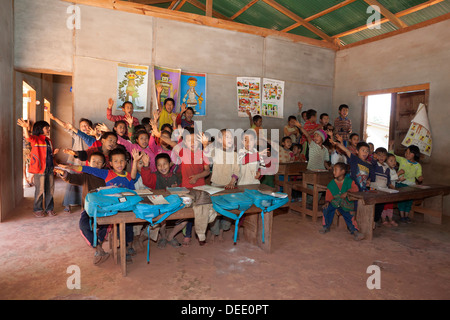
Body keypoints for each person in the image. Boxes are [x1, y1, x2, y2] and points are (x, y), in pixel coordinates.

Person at [55, 151, 110, 264]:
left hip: (104, 207)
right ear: (88, 163)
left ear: (103, 165)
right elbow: (73, 178)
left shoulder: (107, 175)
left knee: (105, 225)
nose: (96, 164)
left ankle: (99, 245)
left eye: (99, 162)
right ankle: (98, 248)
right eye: (93, 161)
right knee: (83, 225)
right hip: (88, 208)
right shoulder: (86, 175)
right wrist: (64, 174)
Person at [139, 152, 187, 248]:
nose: (162, 167)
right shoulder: (155, 176)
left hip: (173, 206)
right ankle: (163, 237)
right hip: (160, 207)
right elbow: (146, 180)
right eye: (159, 165)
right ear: (156, 167)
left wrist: (176, 189)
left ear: (170, 164)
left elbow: (182, 191)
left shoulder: (176, 177)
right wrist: (145, 166)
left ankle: (170, 236)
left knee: (185, 220)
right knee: (162, 219)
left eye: (165, 164)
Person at [47, 112, 93, 212]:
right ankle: (68, 203)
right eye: (82, 126)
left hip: (87, 163)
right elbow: (66, 126)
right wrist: (54, 118)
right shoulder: (78, 135)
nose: (84, 127)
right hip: (75, 162)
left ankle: (84, 203)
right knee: (71, 182)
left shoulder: (93, 138)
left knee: (85, 184)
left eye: (86, 125)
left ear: (90, 127)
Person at [17, 119, 57, 217]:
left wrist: (54, 156)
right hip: (40, 169)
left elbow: (49, 154)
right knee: (40, 190)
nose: (48, 129)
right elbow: (28, 137)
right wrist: (25, 128)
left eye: (48, 128)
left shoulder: (49, 140)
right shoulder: (36, 139)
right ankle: (38, 209)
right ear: (40, 129)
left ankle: (49, 209)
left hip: (49, 168)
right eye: (46, 128)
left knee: (50, 190)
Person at [319, 162, 365, 241]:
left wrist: (347, 193)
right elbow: (329, 195)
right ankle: (326, 226)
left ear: (343, 171)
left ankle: (355, 231)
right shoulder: (331, 184)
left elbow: (356, 189)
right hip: (335, 202)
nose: (333, 172)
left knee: (349, 216)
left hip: (346, 204)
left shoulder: (349, 181)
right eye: (333, 170)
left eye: (336, 170)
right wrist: (327, 202)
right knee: (326, 209)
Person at [389, 142, 423, 223]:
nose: (406, 154)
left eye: (409, 153)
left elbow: (418, 175)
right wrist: (391, 146)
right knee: (402, 201)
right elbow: (392, 156)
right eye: (406, 152)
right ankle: (402, 216)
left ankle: (406, 216)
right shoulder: (402, 160)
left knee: (409, 201)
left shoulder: (418, 165)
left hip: (411, 186)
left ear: (414, 154)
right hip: (401, 184)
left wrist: (420, 178)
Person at [370, 147, 394, 225]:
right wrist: (374, 158)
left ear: (386, 157)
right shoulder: (375, 164)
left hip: (384, 189)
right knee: (374, 205)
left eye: (383, 156)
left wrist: (389, 184)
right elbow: (372, 163)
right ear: (376, 156)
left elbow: (388, 177)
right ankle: (371, 220)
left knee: (381, 206)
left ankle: (376, 220)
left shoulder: (387, 167)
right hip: (374, 188)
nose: (381, 157)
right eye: (379, 155)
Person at [382, 153, 402, 227]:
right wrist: (398, 174)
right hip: (386, 190)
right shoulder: (386, 168)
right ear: (386, 161)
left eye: (394, 161)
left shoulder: (393, 170)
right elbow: (389, 178)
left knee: (390, 205)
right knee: (385, 206)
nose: (394, 162)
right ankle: (383, 219)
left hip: (392, 190)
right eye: (391, 161)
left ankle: (390, 219)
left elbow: (394, 179)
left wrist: (399, 179)